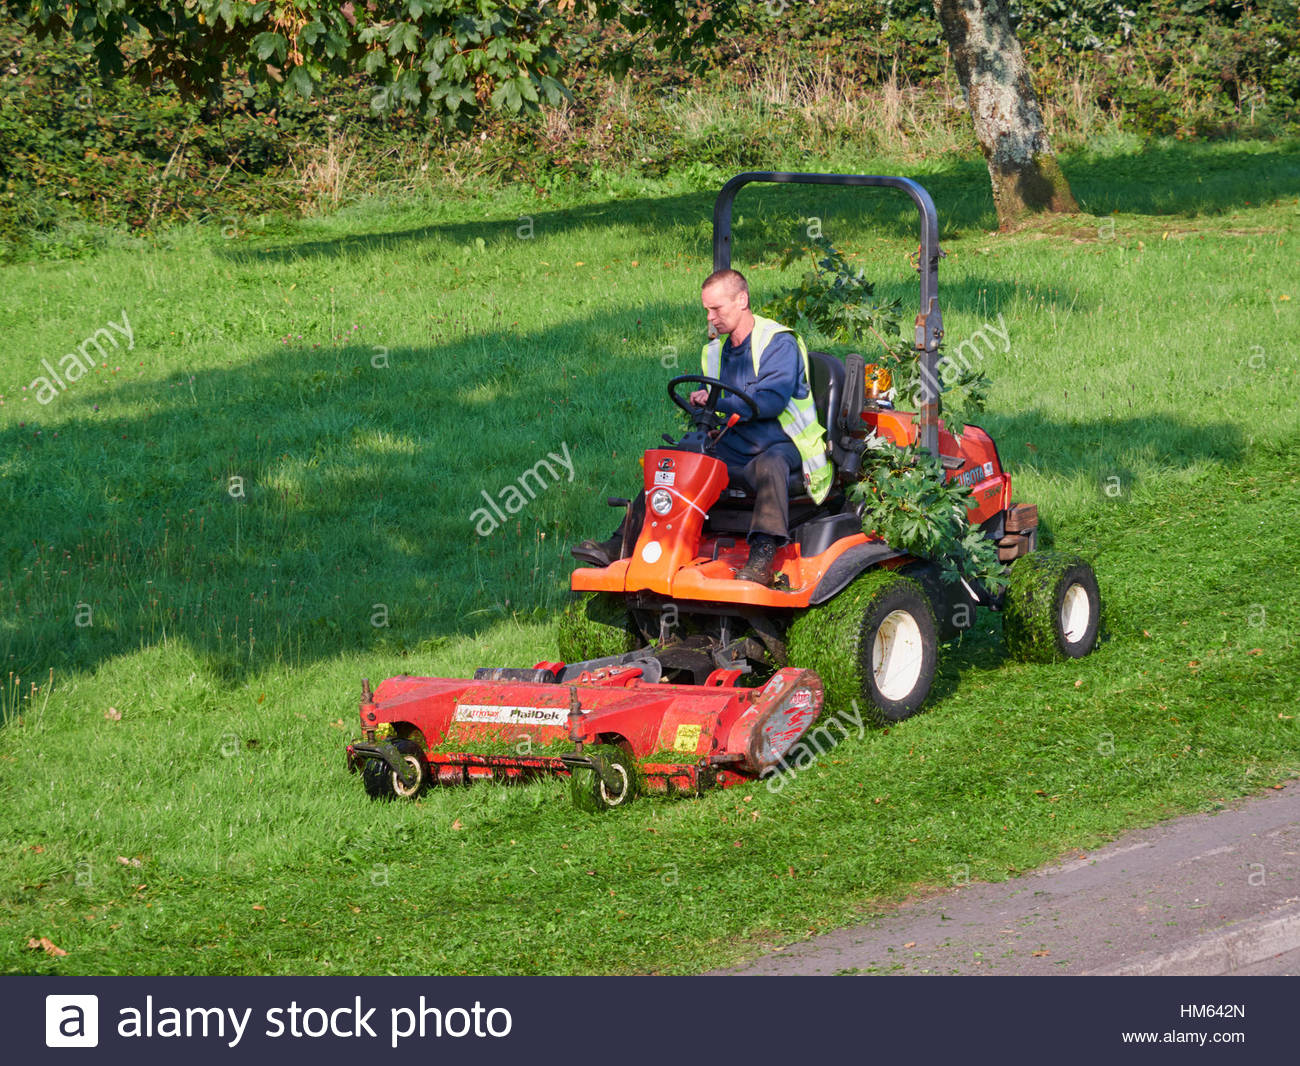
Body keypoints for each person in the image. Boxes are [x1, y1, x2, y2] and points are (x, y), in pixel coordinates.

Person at [572, 269, 831, 586]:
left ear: (742, 300)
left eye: (716, 309)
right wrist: (705, 414)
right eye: (707, 310)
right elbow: (722, 406)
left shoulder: (778, 343)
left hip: (784, 442)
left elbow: (769, 402)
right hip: (736, 440)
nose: (710, 318)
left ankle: (763, 555)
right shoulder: (717, 350)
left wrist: (716, 402)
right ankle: (622, 542)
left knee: (770, 465)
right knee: (675, 459)